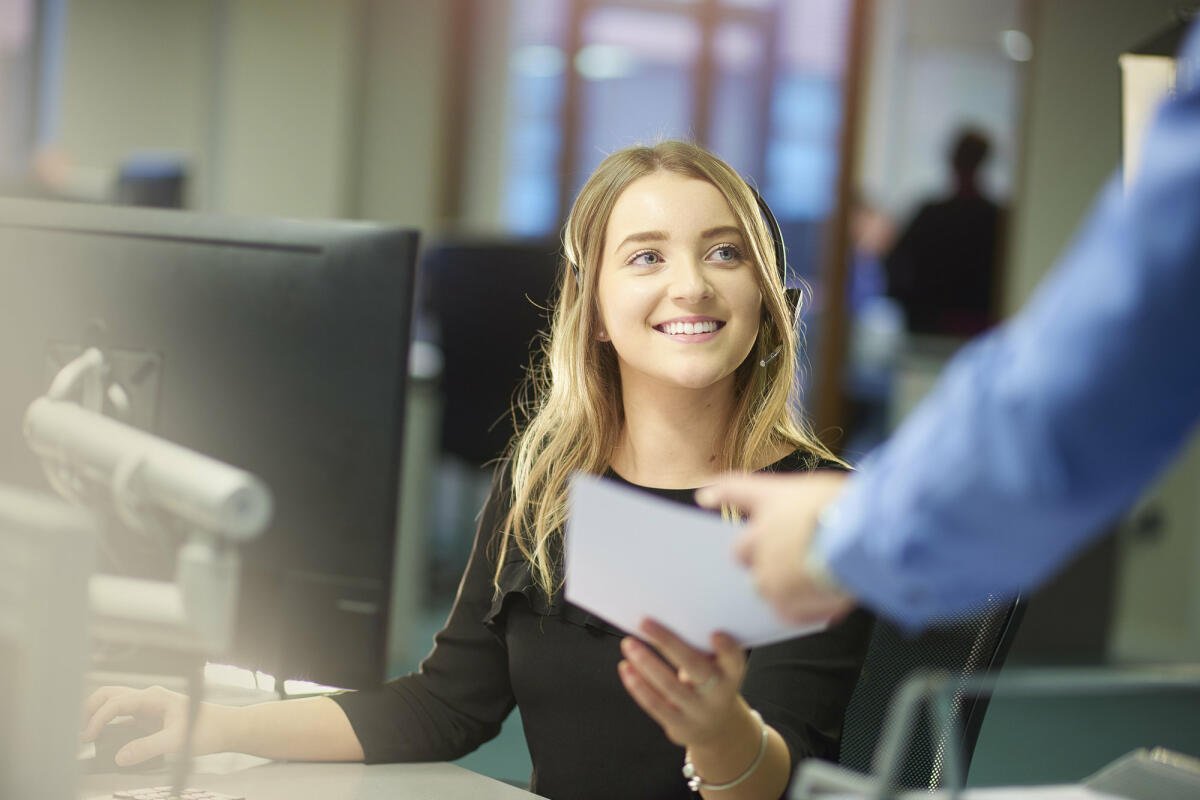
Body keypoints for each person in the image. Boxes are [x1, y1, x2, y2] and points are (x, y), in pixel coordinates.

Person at [81, 141, 874, 800]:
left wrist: (716, 731)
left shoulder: (811, 509)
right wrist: (211, 722)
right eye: (645, 257)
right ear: (592, 309)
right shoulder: (543, 490)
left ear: (767, 297)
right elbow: (447, 706)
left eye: (725, 252)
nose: (691, 283)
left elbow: (787, 782)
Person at [699, 21, 1200, 632]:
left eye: (724, 253)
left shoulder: (936, 217)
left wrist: (846, 534)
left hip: (939, 365)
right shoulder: (992, 216)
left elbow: (1129, 330)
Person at [884, 127, 1006, 337]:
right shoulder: (995, 218)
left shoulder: (932, 215)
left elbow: (894, 264)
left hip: (942, 326)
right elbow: (895, 265)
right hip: (942, 327)